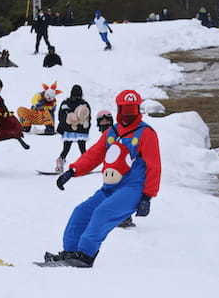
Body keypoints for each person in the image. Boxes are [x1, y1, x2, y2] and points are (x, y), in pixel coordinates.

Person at [41, 90, 162, 268]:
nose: (128, 114)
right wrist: (72, 171)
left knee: (102, 213)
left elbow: (154, 166)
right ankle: (71, 252)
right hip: (109, 188)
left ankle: (85, 255)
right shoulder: (112, 132)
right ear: (119, 109)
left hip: (133, 189)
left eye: (132, 110)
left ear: (138, 110)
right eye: (125, 110)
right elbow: (94, 154)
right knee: (81, 212)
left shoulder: (146, 133)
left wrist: (147, 196)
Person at [55, 85, 90, 173]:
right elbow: (88, 118)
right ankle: (86, 164)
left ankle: (60, 163)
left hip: (69, 130)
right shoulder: (84, 104)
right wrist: (86, 128)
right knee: (82, 149)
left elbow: (60, 116)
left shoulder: (66, 103)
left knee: (66, 148)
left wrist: (65, 126)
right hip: (79, 130)